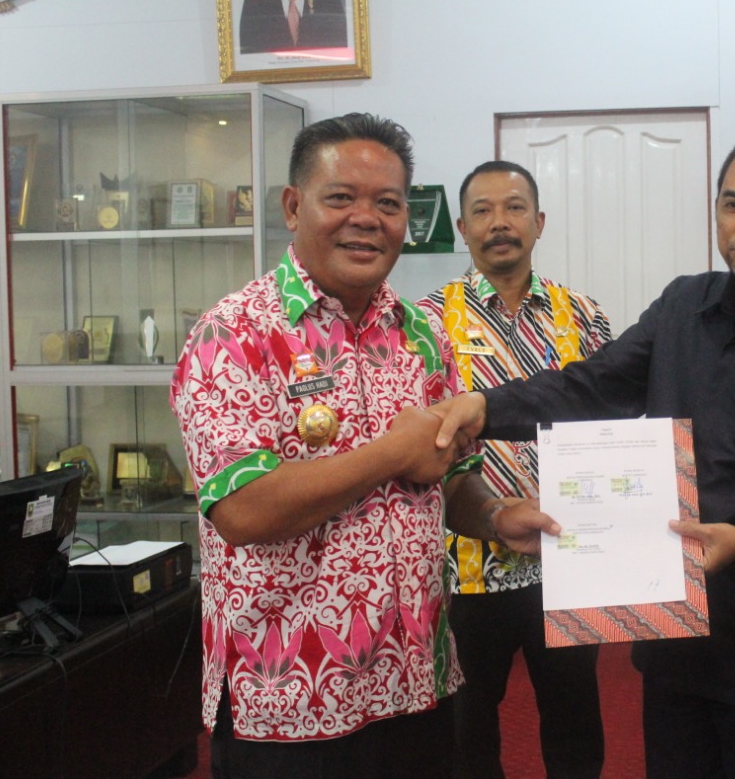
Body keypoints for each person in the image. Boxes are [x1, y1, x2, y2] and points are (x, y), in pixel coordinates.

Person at [431, 131, 735, 779]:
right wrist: (486, 409)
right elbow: (592, 386)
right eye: (733, 205)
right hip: (670, 627)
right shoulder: (684, 306)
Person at [170, 113, 558, 779]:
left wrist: (496, 516)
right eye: (341, 197)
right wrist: (391, 453)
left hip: (417, 685)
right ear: (294, 207)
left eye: (388, 203)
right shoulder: (234, 335)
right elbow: (241, 510)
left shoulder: (421, 335)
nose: (366, 219)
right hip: (290, 699)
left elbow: (452, 477)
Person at [417, 160, 610, 778]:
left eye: (514, 207)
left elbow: (607, 421)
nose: (499, 222)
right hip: (464, 565)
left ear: (539, 221)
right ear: (462, 228)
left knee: (575, 722)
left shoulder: (584, 315)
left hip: (568, 556)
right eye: (482, 211)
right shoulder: (424, 322)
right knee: (466, 727)